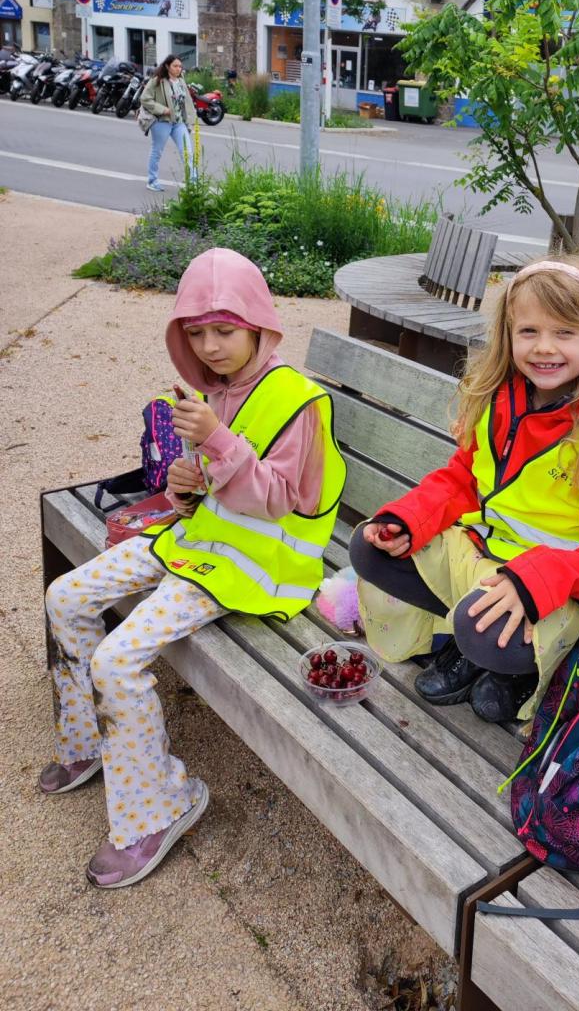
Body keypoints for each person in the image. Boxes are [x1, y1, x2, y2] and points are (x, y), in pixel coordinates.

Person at [40, 248, 346, 888]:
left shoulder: (300, 401)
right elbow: (211, 487)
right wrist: (187, 483)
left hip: (255, 566)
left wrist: (213, 442)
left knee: (116, 660)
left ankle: (161, 805)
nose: (210, 346)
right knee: (66, 596)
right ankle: (89, 742)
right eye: (196, 332)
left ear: (260, 325)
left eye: (225, 330)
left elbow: (283, 500)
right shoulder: (213, 392)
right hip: (197, 541)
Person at [350, 257, 579, 724]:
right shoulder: (499, 396)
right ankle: (473, 649)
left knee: (485, 629)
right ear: (508, 333)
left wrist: (536, 580)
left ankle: (515, 668)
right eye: (529, 331)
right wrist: (406, 520)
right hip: (488, 555)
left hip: (565, 588)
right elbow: (461, 480)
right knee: (369, 548)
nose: (544, 348)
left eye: (565, 333)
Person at [140, 53, 197, 192]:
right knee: (157, 151)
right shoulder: (157, 80)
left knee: (187, 152)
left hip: (179, 123)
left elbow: (186, 102)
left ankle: (193, 184)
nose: (178, 69)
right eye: (175, 66)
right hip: (162, 122)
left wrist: (190, 118)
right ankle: (152, 181)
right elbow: (145, 99)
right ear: (167, 66)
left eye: (180, 66)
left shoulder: (181, 81)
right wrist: (162, 109)